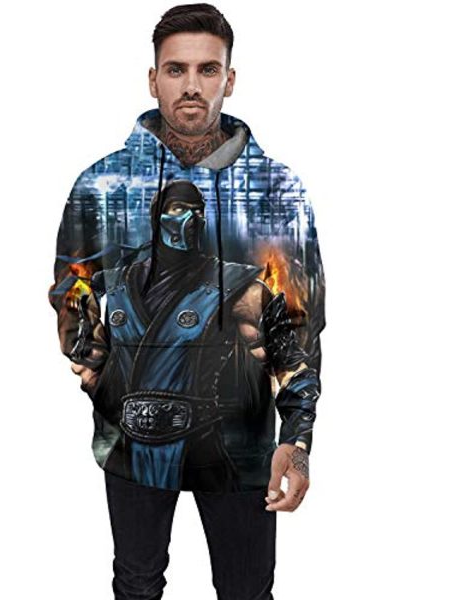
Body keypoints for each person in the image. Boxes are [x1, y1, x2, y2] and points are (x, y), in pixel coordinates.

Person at [48, 4, 326, 598]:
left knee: (247, 590)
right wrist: (104, 381)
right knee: (137, 583)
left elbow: (299, 327)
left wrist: (297, 438)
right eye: (176, 69)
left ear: (230, 78)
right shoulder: (103, 187)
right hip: (134, 441)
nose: (192, 85)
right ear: (154, 79)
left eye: (208, 69)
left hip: (242, 442)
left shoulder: (276, 191)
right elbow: (72, 297)